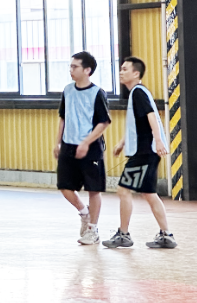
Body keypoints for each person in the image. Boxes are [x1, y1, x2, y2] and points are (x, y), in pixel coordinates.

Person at [103, 57, 177, 250]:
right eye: (120, 69)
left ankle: (123, 234)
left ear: (136, 73)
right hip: (146, 151)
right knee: (149, 193)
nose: (121, 72)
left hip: (143, 152)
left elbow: (151, 116)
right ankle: (166, 235)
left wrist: (158, 140)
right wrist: (122, 143)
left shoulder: (137, 93)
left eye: (125, 69)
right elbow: (138, 124)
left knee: (123, 190)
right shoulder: (138, 93)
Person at [54, 51, 111, 245]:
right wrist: (58, 142)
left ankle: (92, 230)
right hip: (68, 145)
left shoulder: (97, 93)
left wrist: (86, 142)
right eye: (70, 66)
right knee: (64, 186)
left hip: (91, 148)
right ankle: (84, 212)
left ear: (87, 70)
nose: (71, 70)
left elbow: (103, 122)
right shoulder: (67, 90)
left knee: (94, 189)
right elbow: (63, 118)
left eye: (75, 66)